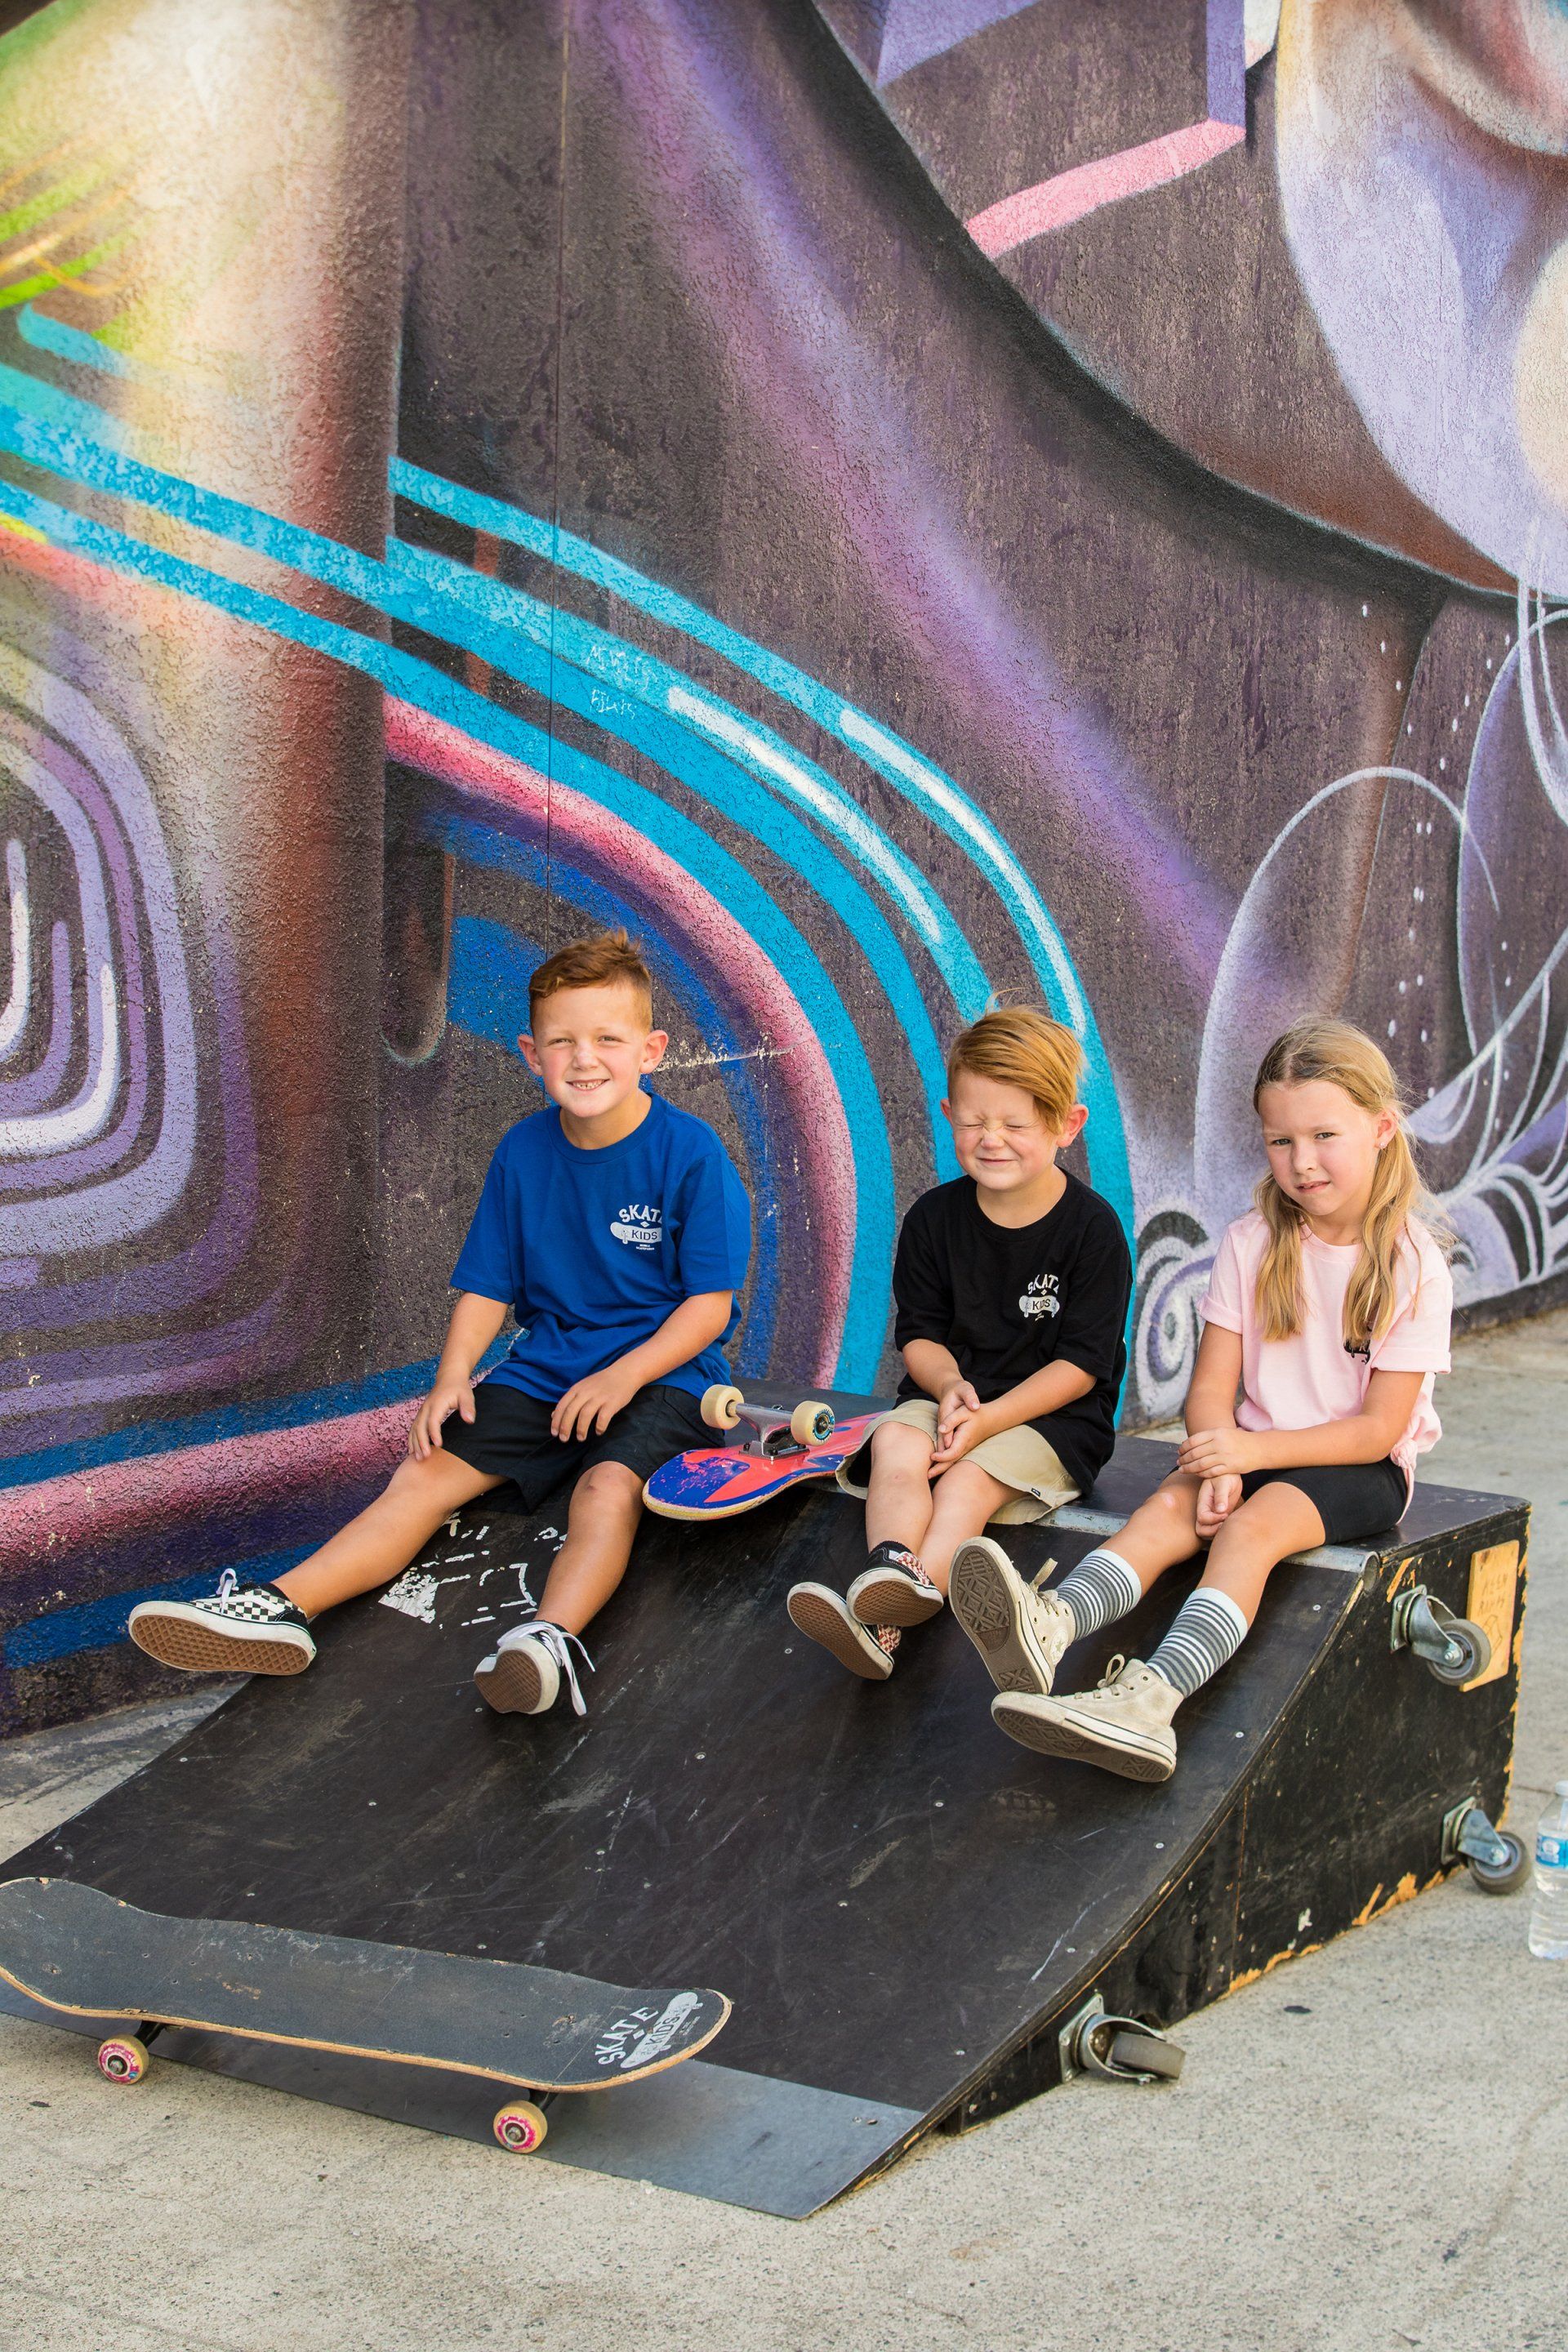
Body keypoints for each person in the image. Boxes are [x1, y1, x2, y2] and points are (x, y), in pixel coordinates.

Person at [128, 930, 751, 1719]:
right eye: (562, 1041)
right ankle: (280, 1609)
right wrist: (453, 1376)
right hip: (547, 1372)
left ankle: (549, 1641)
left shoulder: (690, 1154)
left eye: (607, 1039)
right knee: (422, 1475)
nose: (584, 1059)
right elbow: (488, 1286)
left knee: (605, 1489)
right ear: (531, 1054)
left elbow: (710, 1307)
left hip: (663, 1377)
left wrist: (624, 1374)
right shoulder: (523, 1152)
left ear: (651, 1050)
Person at [960, 1018, 1453, 1780]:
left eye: (1325, 1136)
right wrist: (1219, 1459)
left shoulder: (1413, 1263)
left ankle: (1151, 1704)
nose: (1302, 1162)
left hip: (1359, 1467)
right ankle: (1050, 1624)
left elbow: (1379, 1429)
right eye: (1280, 1141)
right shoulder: (1252, 1243)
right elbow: (1211, 1391)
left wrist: (1249, 1457)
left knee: (1249, 1532)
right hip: (1248, 1445)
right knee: (1166, 1509)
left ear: (1382, 1128)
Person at [786, 1004, 1132, 1678]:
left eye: (1015, 1124)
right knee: (894, 1442)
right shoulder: (932, 1220)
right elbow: (919, 1336)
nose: (991, 1139)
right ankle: (891, 1564)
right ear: (949, 1114)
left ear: (1067, 1125)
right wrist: (948, 1390)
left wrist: (987, 1423)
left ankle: (884, 1620)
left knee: (968, 1482)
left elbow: (1083, 1367)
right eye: (974, 1122)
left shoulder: (1093, 1232)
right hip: (952, 1400)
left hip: (1054, 1421)